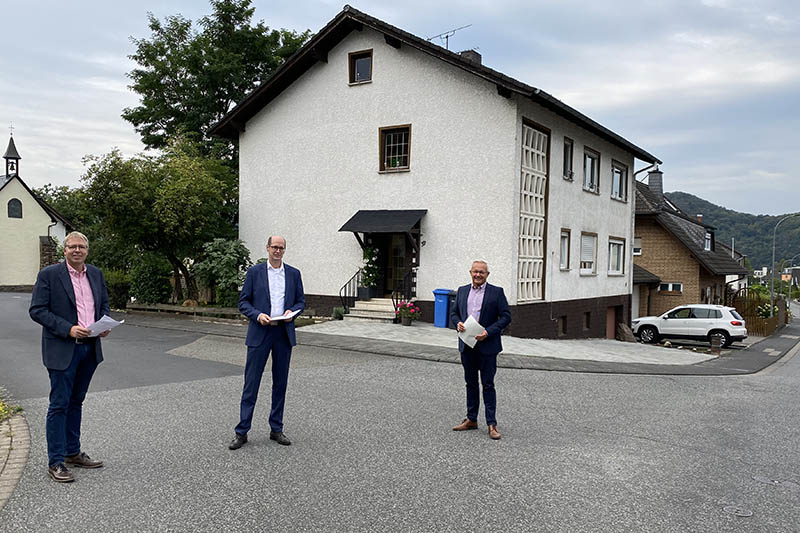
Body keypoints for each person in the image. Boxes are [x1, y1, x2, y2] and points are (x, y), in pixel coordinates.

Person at [29, 231, 110, 482]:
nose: (77, 250)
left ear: (87, 250)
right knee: (59, 404)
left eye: (82, 247)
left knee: (76, 401)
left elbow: (103, 303)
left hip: (89, 348)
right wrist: (67, 328)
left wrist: (103, 323)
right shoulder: (49, 275)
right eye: (72, 246)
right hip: (63, 348)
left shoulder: (95, 273)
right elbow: (37, 310)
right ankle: (56, 461)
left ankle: (72, 452)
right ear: (64, 250)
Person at [229, 236, 305, 449]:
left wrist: (293, 312)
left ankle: (276, 428)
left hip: (283, 333)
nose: (278, 251)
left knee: (280, 383)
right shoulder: (254, 273)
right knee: (251, 383)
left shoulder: (293, 274)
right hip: (260, 332)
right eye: (274, 247)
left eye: (281, 248)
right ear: (267, 248)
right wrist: (257, 315)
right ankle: (242, 431)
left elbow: (301, 301)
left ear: (284, 250)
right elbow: (243, 302)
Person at [449, 260, 511, 440]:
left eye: (482, 272)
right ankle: (471, 419)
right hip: (467, 344)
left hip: (487, 345)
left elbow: (506, 316)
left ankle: (491, 423)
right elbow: (454, 313)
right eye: (475, 272)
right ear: (470, 272)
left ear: (487, 274)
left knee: (488, 384)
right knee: (470, 383)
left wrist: (489, 332)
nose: (478, 275)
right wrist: (457, 323)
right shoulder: (462, 291)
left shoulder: (496, 292)